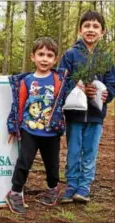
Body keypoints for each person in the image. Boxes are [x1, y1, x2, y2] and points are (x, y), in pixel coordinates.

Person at [6, 37, 67, 214]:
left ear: (55, 59)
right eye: (41, 54)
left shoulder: (59, 80)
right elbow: (18, 105)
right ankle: (15, 192)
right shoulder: (25, 81)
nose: (44, 58)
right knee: (24, 162)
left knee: (52, 165)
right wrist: (13, 126)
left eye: (49, 55)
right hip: (29, 130)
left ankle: (53, 189)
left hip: (51, 132)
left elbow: (70, 92)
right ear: (33, 57)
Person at [59, 10, 115, 203]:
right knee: (74, 150)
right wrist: (77, 88)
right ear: (80, 30)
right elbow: (61, 81)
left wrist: (107, 94)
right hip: (74, 114)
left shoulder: (105, 58)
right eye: (87, 26)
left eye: (95, 26)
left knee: (91, 150)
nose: (91, 30)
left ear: (103, 32)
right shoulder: (70, 54)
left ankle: (84, 187)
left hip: (96, 115)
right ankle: (71, 185)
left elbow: (112, 82)